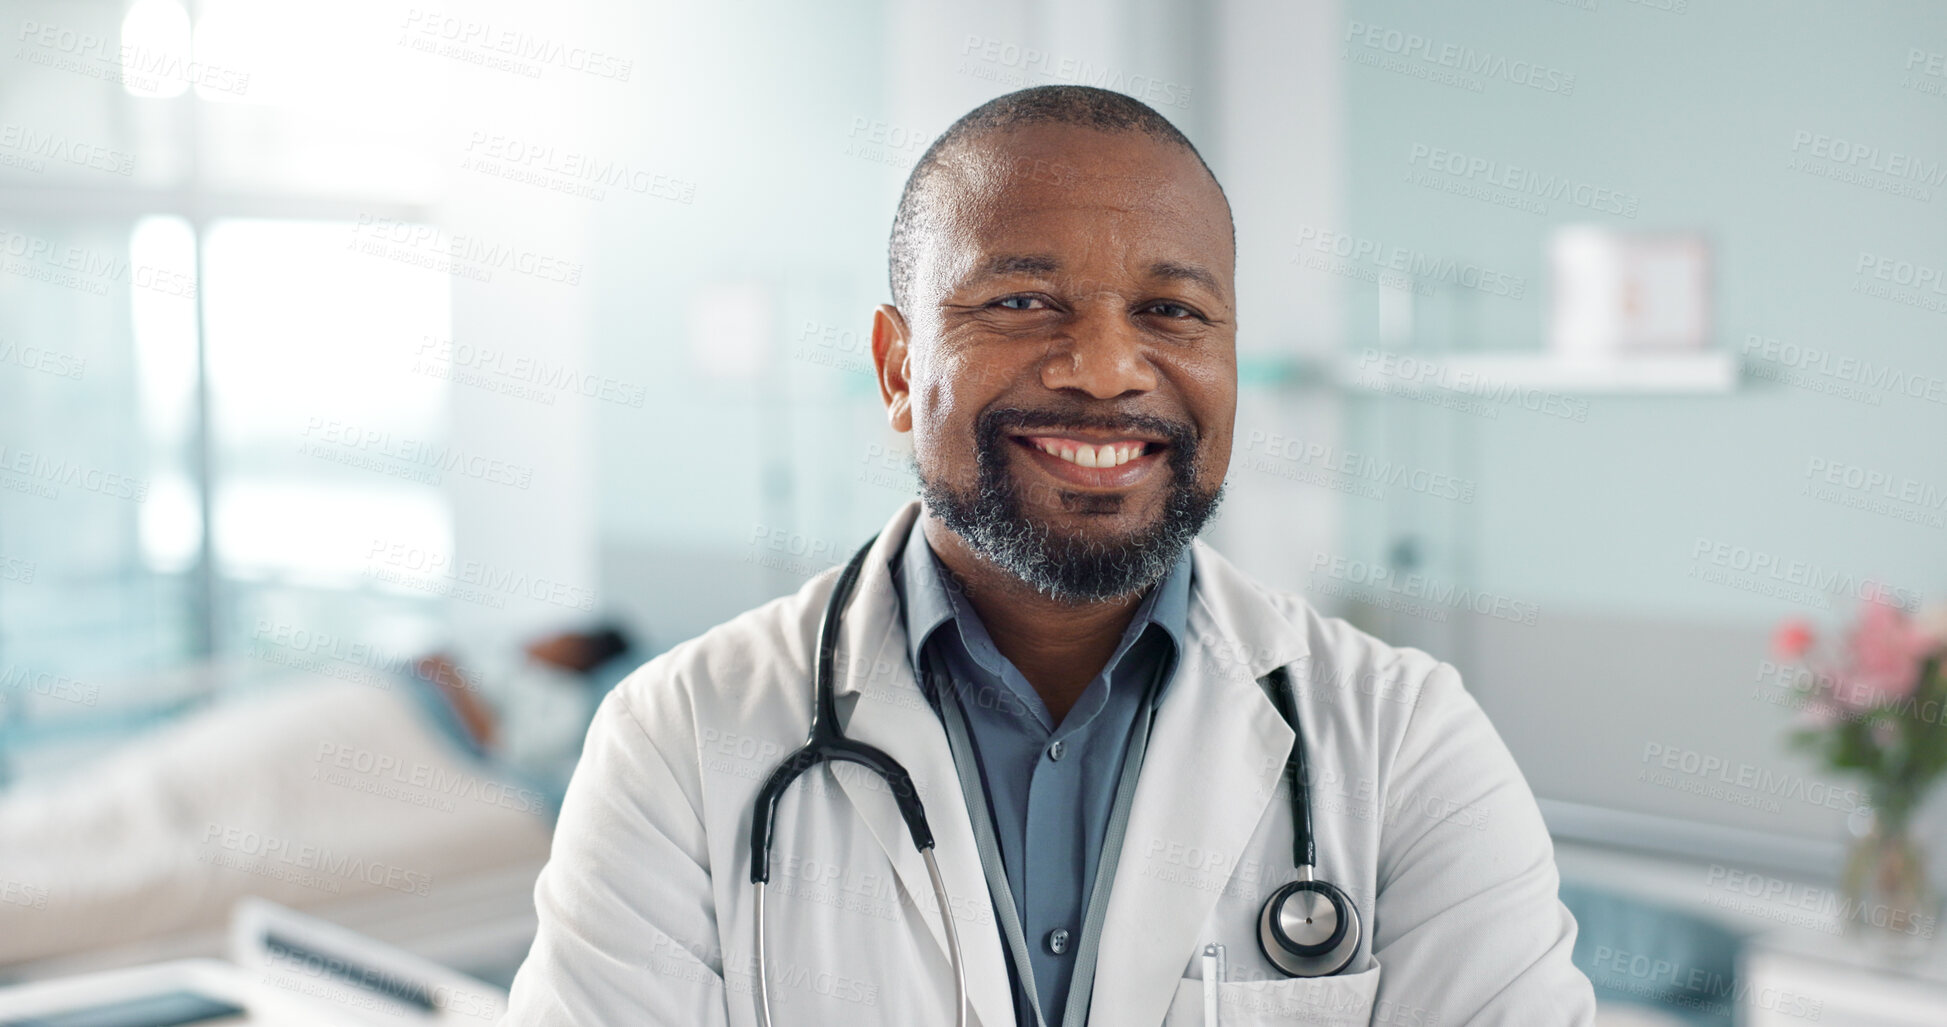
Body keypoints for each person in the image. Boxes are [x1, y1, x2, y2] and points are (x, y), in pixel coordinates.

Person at [503, 86, 1597, 1025]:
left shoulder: (1404, 743)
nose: (1110, 368)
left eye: (1171, 309)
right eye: (1023, 302)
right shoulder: (681, 744)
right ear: (896, 368)